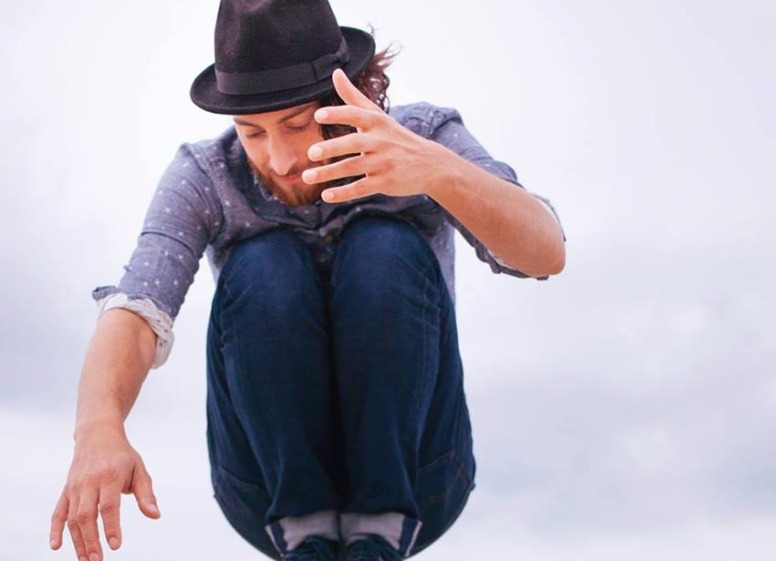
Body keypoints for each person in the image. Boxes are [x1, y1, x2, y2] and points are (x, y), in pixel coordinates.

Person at [49, 0, 565, 560]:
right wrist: (98, 428)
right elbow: (138, 305)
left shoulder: (420, 136)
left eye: (297, 125)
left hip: (423, 476)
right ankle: (303, 525)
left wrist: (439, 172)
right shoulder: (206, 174)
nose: (279, 159)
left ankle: (381, 523)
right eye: (253, 133)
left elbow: (545, 252)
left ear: (347, 96)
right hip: (265, 491)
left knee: (381, 246)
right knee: (263, 261)